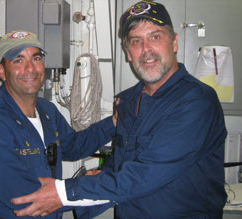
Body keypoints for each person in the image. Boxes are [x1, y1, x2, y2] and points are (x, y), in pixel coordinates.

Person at [12, 1, 228, 218]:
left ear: (174, 42)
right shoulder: (128, 102)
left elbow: (144, 174)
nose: (146, 50)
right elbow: (123, 161)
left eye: (155, 37)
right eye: (136, 41)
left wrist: (63, 192)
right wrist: (96, 177)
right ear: (127, 52)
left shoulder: (196, 102)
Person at [0, 30, 117, 218]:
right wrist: (85, 187)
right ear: (1, 71)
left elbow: (73, 146)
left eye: (36, 58)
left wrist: (114, 122)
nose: (30, 69)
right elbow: (28, 197)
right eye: (18, 60)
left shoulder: (47, 111)